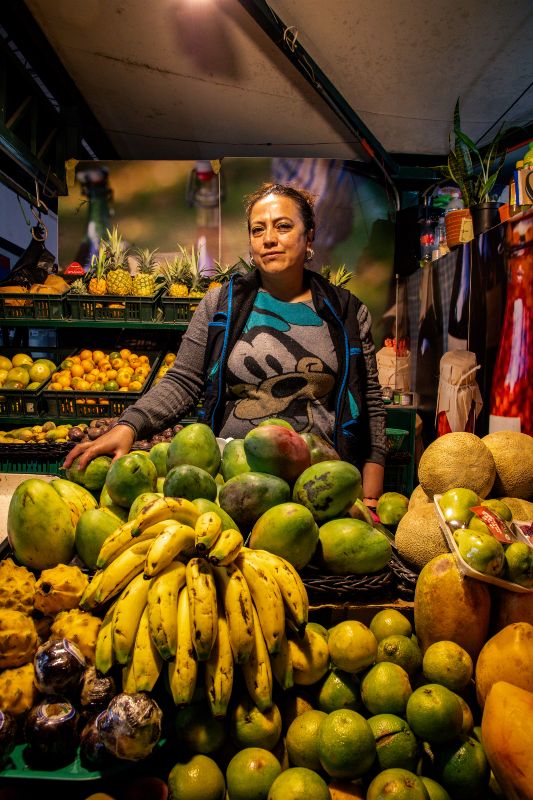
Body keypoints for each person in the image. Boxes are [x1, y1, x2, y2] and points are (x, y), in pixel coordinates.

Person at [64, 183, 387, 506]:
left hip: (319, 485)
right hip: (232, 484)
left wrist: (371, 491)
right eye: (258, 230)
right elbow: (183, 380)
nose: (269, 239)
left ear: (310, 236)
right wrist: (129, 426)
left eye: (283, 226)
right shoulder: (222, 304)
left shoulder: (346, 311)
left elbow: (370, 400)